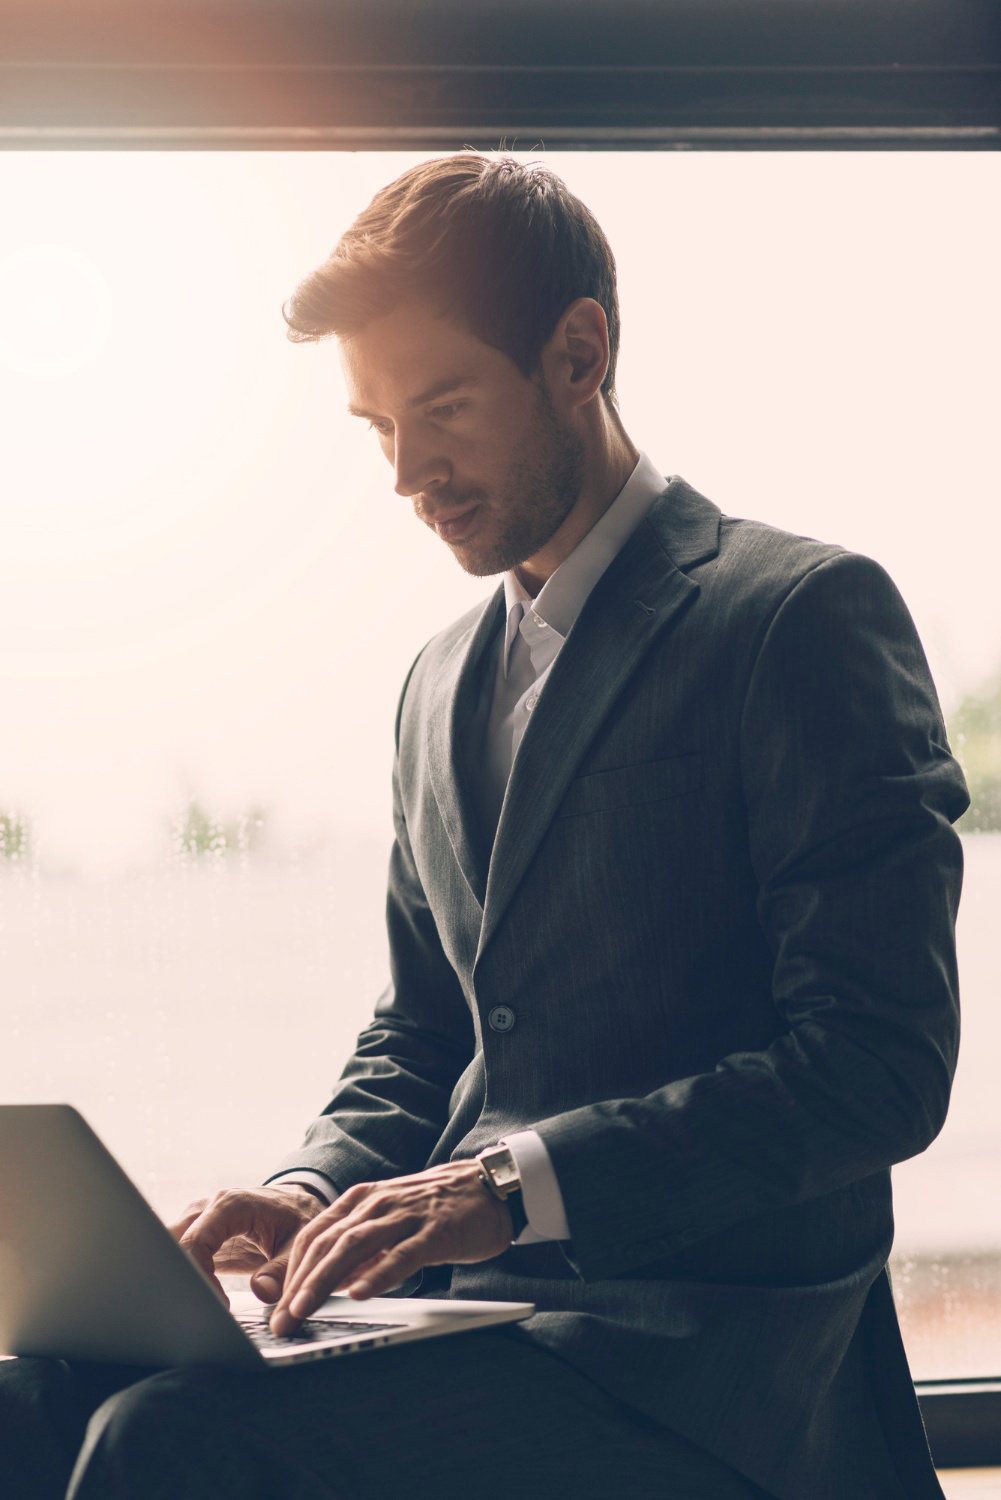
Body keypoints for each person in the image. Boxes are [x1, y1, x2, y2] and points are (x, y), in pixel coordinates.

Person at [0, 154, 968, 1500]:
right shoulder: (435, 682)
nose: (407, 472)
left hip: (704, 1361)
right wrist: (308, 1187)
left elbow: (875, 1063)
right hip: (471, 1319)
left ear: (579, 352)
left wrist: (505, 1187)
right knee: (40, 1387)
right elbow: (421, 1034)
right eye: (375, 427)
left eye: (443, 407)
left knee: (168, 1446)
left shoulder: (797, 618)